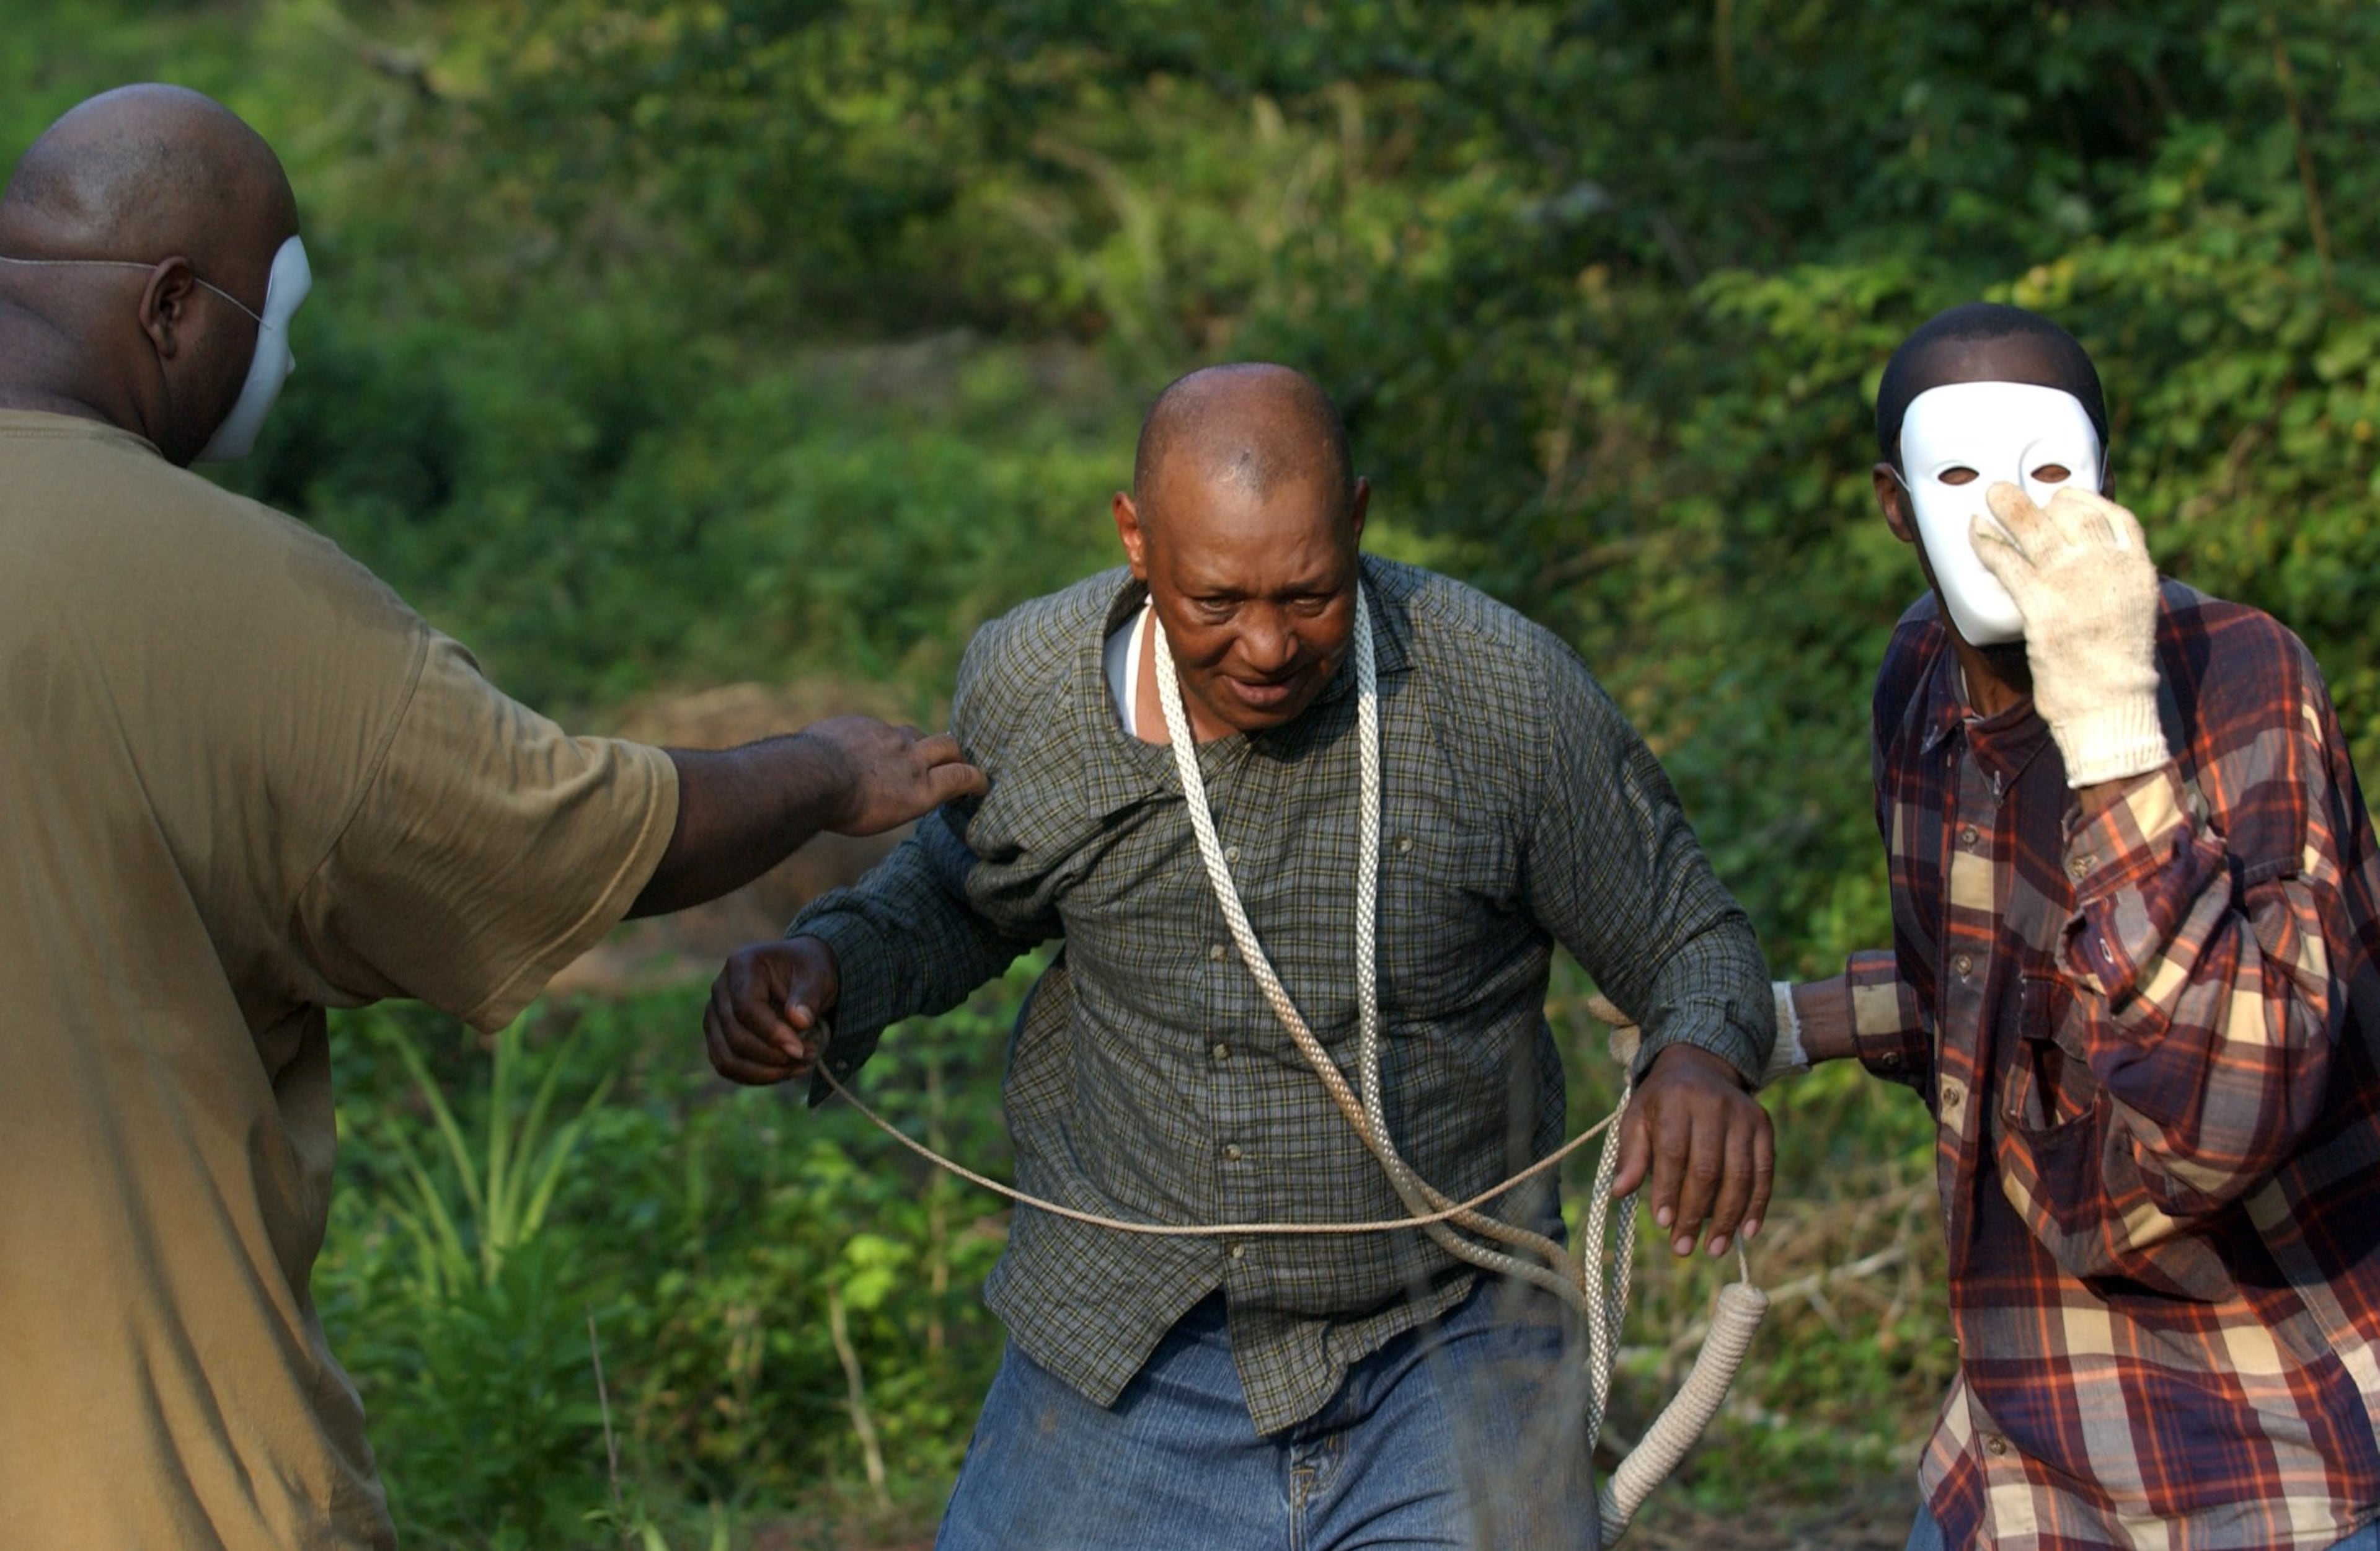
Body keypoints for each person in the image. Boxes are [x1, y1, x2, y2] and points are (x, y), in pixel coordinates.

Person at [0, 84, 984, 1550]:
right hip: (134, 1476)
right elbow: (560, 831)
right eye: (269, 314)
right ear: (169, 310)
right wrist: (825, 773)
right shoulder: (225, 594)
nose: (274, 359)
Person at [704, 362, 1776, 1549]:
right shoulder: (1039, 691)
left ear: (1359, 521)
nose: (1266, 644)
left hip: (1452, 1336)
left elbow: (1691, 936)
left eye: (1310, 593)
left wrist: (1700, 1058)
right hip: (1123, 1340)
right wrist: (830, 969)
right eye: (1215, 601)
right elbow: (961, 898)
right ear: (1135, 540)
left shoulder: (1499, 693)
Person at [1772, 303, 2380, 1549]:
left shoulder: (2246, 683)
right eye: (1958, 476)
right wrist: (1785, 1024)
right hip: (2026, 1446)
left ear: (2108, 480)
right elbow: (1991, 981)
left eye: (2048, 471)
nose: (2009, 516)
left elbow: (2226, 1116)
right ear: (1894, 507)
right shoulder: (1920, 687)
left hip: (2264, 1451)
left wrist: (2107, 718)